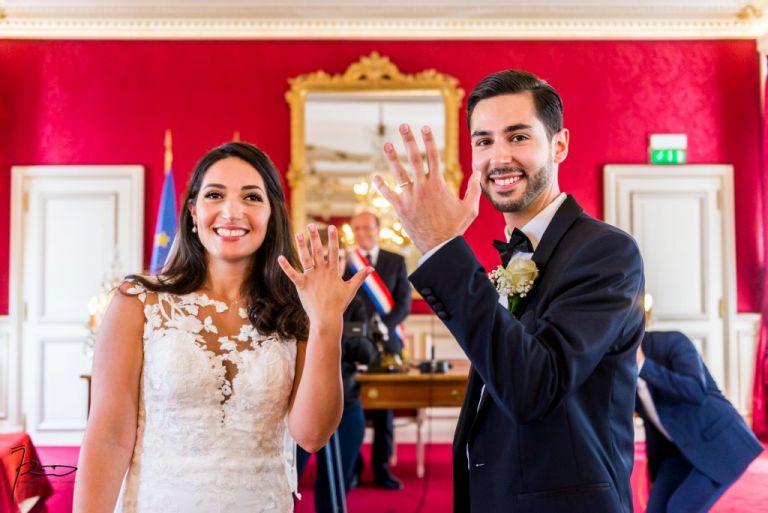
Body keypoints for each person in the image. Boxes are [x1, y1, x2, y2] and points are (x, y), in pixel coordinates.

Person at [373, 70, 645, 512]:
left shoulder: (605, 252)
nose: (498, 157)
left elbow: (531, 387)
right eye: (483, 141)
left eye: (517, 137)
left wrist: (442, 247)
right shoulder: (514, 257)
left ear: (559, 145)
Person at [72, 142, 371, 513]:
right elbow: (108, 437)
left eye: (251, 197)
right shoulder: (138, 302)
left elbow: (312, 436)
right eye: (215, 195)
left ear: (271, 215)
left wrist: (327, 324)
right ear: (194, 212)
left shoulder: (296, 310)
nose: (232, 211)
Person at [637, 329, 764, 512]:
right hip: (678, 451)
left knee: (680, 508)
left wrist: (643, 365)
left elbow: (695, 391)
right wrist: (654, 475)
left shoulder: (672, 342)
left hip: (719, 445)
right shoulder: (617, 369)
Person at [296, 240, 377, 512]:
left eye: (339, 258)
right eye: (327, 257)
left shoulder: (355, 301)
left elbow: (367, 353)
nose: (334, 264)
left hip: (347, 403)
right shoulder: (294, 296)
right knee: (287, 483)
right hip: (297, 409)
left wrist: (334, 336)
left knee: (336, 484)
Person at [345, 211, 412, 490]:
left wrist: (381, 330)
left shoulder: (395, 261)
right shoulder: (346, 263)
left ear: (377, 228)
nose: (362, 233)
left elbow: (403, 303)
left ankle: (382, 470)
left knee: (384, 411)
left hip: (387, 343)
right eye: (357, 229)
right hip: (352, 345)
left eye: (367, 228)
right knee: (351, 408)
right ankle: (353, 469)